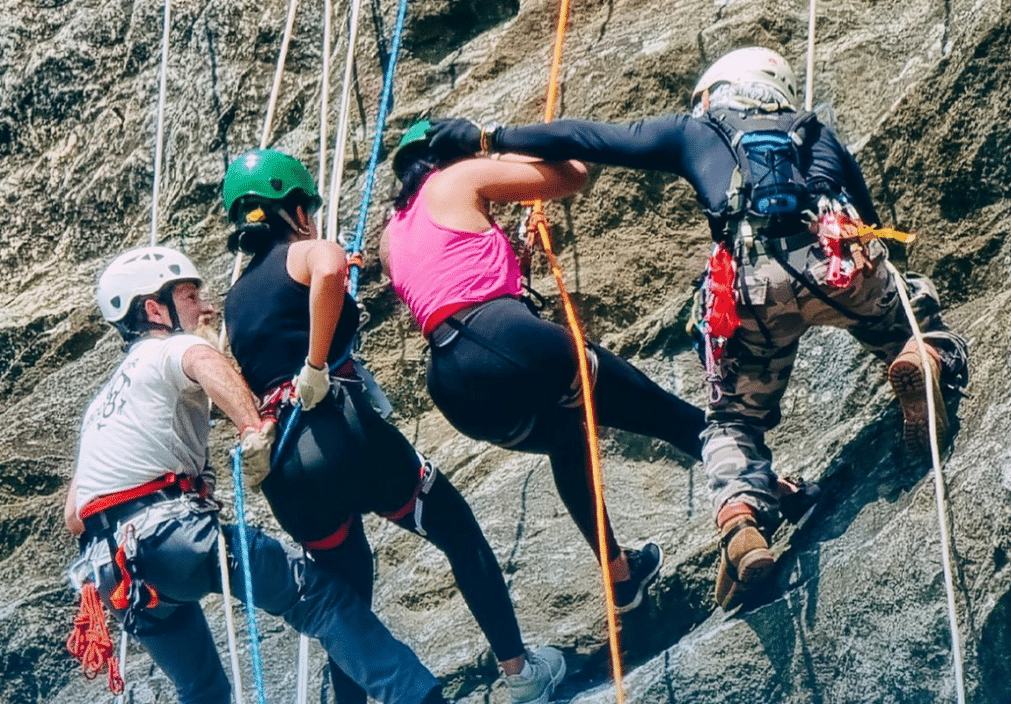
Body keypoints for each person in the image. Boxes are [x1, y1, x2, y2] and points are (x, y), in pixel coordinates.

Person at [423, 47, 969, 610]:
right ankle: (920, 356)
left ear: (714, 91)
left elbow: (585, 139)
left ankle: (740, 520)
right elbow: (867, 215)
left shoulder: (695, 129)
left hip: (749, 284)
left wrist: (488, 136)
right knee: (909, 304)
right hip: (836, 257)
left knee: (732, 421)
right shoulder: (815, 131)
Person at [220, 149, 565, 704]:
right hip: (338, 431)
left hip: (289, 470)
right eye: (305, 205)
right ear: (291, 208)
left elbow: (289, 316)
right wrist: (314, 365)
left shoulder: (235, 302)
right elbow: (327, 269)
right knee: (456, 527)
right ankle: (521, 675)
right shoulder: (310, 250)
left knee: (347, 603)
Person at [64, 246, 454, 704]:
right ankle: (419, 697)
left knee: (201, 688)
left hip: (113, 571)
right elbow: (206, 364)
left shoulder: (101, 406)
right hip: (171, 534)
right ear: (154, 308)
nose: (205, 307)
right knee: (322, 601)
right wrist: (254, 429)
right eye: (190, 296)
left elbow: (76, 514)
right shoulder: (172, 348)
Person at [382, 119, 734, 616]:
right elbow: (573, 173)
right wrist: (492, 150)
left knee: (567, 437)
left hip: (452, 381)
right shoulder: (456, 179)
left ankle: (620, 578)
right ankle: (765, 488)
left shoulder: (390, 237)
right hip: (505, 337)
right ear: (445, 154)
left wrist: (508, 254)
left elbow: (450, 285)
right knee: (659, 412)